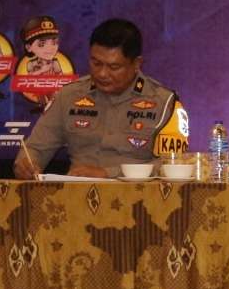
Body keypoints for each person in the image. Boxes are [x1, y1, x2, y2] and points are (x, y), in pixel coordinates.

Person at [14, 18, 189, 179]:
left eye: (114, 67)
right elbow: (34, 149)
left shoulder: (165, 103)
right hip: (76, 197)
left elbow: (174, 163)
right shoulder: (69, 96)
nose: (102, 73)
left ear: (137, 64)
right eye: (96, 63)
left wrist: (108, 173)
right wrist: (27, 164)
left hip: (138, 197)